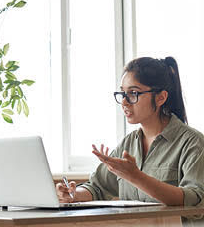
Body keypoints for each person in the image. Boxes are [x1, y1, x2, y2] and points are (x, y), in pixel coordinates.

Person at [56, 57, 204, 208]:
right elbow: (97, 187)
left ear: (161, 97)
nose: (125, 102)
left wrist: (136, 176)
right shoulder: (128, 144)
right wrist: (72, 194)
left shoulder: (193, 143)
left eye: (133, 93)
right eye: (122, 94)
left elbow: (194, 199)